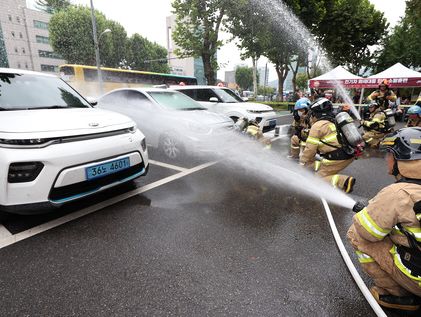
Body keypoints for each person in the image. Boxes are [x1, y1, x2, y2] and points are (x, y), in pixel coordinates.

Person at [348, 127, 421, 311]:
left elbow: (369, 232)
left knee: (356, 234)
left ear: (401, 160)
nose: (386, 159)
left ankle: (396, 295)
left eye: (389, 154)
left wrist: (367, 214)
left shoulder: (398, 193)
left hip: (418, 279)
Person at [299, 98, 356, 193]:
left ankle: (344, 181)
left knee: (316, 181)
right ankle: (325, 170)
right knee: (320, 166)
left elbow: (310, 149)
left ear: (316, 113)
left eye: (312, 113)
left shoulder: (317, 126)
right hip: (348, 152)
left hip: (337, 157)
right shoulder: (332, 121)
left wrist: (302, 162)